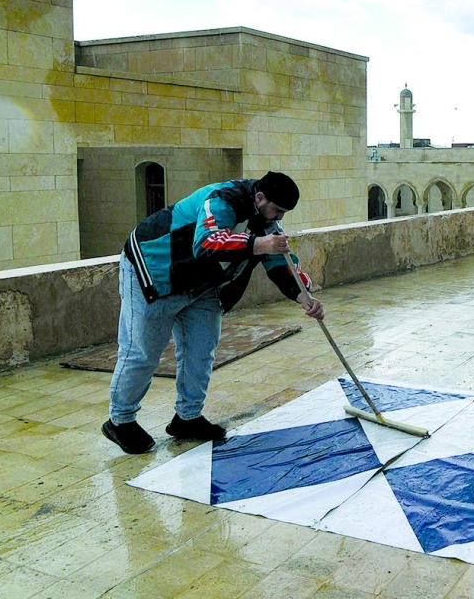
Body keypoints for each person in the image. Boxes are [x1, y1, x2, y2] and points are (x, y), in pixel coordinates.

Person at [102, 171, 325, 454]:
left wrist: (303, 296)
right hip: (154, 271)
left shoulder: (267, 221)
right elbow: (206, 243)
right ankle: (120, 420)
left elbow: (279, 264)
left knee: (201, 350)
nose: (279, 218)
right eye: (277, 210)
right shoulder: (221, 198)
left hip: (201, 285)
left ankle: (187, 417)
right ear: (259, 198)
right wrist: (257, 244)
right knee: (143, 352)